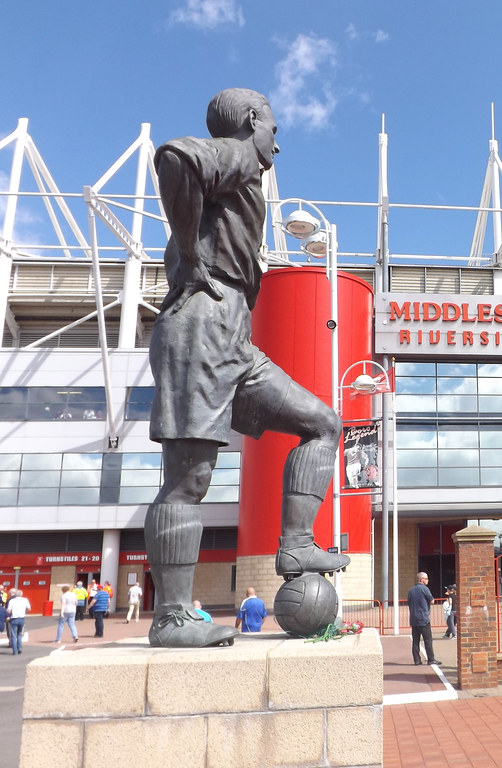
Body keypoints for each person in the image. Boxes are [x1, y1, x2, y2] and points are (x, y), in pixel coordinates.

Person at [144, 88, 348, 649]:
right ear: (253, 121)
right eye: (273, 129)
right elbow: (175, 158)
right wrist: (187, 250)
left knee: (322, 423)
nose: (276, 143)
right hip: (203, 329)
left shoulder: (244, 176)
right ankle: (172, 617)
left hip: (233, 335)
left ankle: (297, 543)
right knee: (189, 480)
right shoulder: (235, 154)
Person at [407, 572, 438, 665]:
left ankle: (417, 660)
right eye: (426, 578)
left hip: (413, 619)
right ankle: (431, 659)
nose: (428, 580)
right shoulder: (424, 589)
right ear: (421, 580)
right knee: (428, 640)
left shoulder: (411, 590)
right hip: (424, 618)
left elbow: (409, 603)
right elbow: (432, 601)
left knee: (415, 641)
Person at [7, 589, 30, 655]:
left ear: (15, 595)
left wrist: (10, 614)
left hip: (14, 618)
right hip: (22, 618)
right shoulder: (25, 600)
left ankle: (15, 651)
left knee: (13, 635)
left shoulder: (12, 601)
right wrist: (25, 612)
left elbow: (8, 610)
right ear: (21, 594)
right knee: (19, 633)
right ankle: (19, 648)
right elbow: (29, 608)